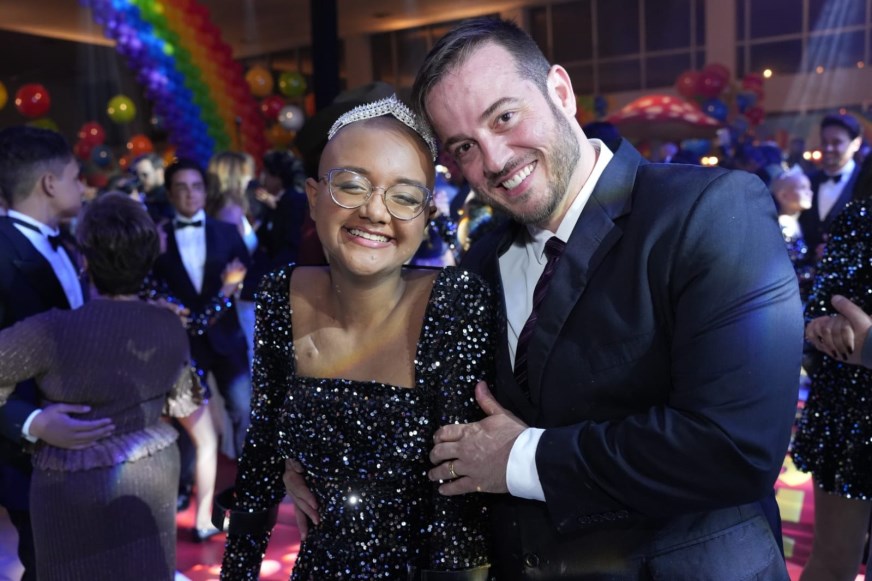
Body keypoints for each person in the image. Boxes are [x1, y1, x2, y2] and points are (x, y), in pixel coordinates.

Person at [409, 16, 801, 578]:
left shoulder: (708, 210)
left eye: (505, 117)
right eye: (465, 146)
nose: (493, 161)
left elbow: (735, 447)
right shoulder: (481, 263)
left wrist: (521, 460)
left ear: (560, 92)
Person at [220, 95, 493, 580]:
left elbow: (459, 506)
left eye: (404, 196)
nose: (374, 211)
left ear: (427, 214)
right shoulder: (281, 294)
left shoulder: (454, 301)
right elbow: (261, 454)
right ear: (313, 196)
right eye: (351, 185)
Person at [0, 192, 203, 579]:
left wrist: (33, 421)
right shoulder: (169, 324)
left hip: (70, 483)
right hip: (152, 474)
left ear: (85, 260)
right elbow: (180, 400)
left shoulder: (52, 330)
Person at [0, 125, 115, 580]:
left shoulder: (65, 245)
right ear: (49, 183)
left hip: (84, 448)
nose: (82, 187)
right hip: (26, 456)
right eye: (74, 177)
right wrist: (32, 423)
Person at [791, 192, 872, 581]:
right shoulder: (861, 215)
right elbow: (820, 306)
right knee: (833, 560)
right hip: (849, 403)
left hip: (849, 393)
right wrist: (829, 326)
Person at [798, 113, 864, 260]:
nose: (828, 148)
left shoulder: (865, 184)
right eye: (824, 142)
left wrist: (845, 250)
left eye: (836, 142)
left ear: (856, 143)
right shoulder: (807, 181)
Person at [771, 167, 815, 302]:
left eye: (809, 188)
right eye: (802, 188)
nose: (810, 192)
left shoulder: (797, 223)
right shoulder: (781, 227)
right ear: (783, 195)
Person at [133, 152, 173, 224]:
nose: (141, 180)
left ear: (160, 172)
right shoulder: (147, 198)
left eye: (145, 175)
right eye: (138, 176)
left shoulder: (173, 197)